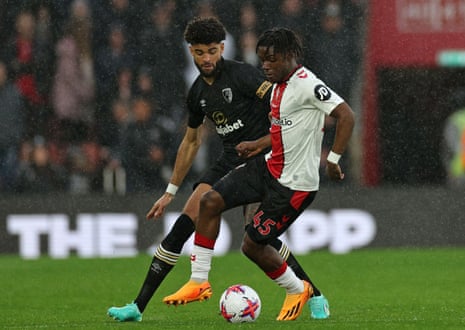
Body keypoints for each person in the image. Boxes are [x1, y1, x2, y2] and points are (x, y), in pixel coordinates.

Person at [108, 17, 327, 322]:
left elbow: (283, 100)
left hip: (262, 158)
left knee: (259, 237)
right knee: (182, 226)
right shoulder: (197, 92)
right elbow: (192, 139)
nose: (207, 58)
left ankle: (313, 294)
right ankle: (137, 307)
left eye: (212, 51)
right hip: (228, 160)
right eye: (200, 52)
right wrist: (170, 191)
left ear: (222, 48)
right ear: (191, 52)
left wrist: (277, 140)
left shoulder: (242, 75)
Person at [164, 27, 354, 321]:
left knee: (252, 245)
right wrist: (258, 144)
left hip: (294, 185)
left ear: (289, 57)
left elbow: (346, 114)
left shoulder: (307, 84)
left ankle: (296, 289)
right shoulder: (277, 85)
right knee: (209, 200)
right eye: (262, 59)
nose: (264, 65)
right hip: (268, 166)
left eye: (271, 60)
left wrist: (333, 159)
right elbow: (284, 130)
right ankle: (199, 282)